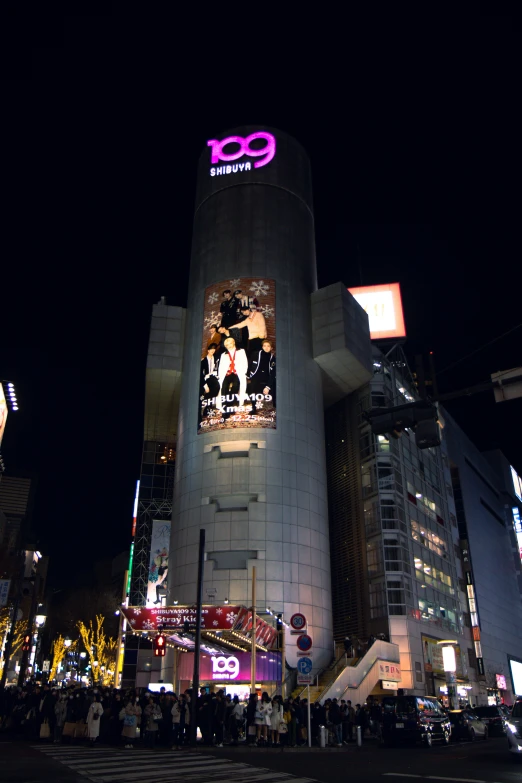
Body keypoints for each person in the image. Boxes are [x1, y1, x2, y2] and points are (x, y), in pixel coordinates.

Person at [217, 337, 249, 416]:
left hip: (237, 373)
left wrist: (242, 372)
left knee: (235, 386)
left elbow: (245, 363)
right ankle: (225, 407)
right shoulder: (223, 354)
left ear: (233, 342)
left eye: (230, 344)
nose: (229, 346)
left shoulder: (241, 351)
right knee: (223, 387)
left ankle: (230, 405)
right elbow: (220, 366)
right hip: (227, 373)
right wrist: (220, 376)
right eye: (227, 345)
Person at [247, 339, 276, 413]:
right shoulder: (256, 354)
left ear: (271, 348)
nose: (266, 348)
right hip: (256, 375)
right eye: (264, 346)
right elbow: (250, 365)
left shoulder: (273, 358)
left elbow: (272, 373)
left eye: (268, 346)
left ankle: (276, 406)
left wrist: (268, 386)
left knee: (275, 385)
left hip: (267, 377)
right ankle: (254, 407)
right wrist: (248, 375)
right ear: (262, 347)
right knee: (252, 388)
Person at [200, 343, 221, 417]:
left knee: (217, 387)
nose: (213, 351)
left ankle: (208, 406)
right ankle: (206, 407)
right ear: (208, 350)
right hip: (206, 378)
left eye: (214, 349)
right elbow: (200, 374)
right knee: (207, 391)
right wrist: (204, 384)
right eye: (211, 349)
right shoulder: (203, 361)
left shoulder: (216, 358)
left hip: (213, 377)